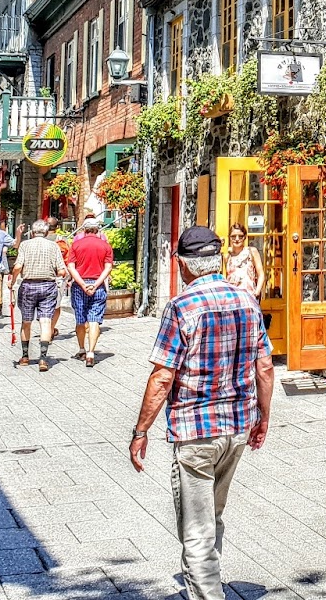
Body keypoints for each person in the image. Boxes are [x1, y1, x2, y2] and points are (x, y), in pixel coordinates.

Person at [130, 227, 274, 600]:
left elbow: (163, 376)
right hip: (238, 426)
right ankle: (208, 579)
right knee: (213, 514)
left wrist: (141, 430)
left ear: (183, 265)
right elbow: (265, 368)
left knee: (196, 528)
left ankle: (208, 594)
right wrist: (264, 416)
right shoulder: (246, 300)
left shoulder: (182, 306)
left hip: (196, 429)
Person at [11, 220, 65, 371]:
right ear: (47, 233)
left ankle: (25, 356)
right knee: (46, 322)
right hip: (48, 286)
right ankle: (43, 358)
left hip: (28, 286)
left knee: (26, 322)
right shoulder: (54, 246)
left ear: (33, 233)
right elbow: (62, 271)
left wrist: (12, 280)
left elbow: (17, 266)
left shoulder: (25, 245)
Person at [66, 217, 113, 368]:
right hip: (97, 285)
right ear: (98, 230)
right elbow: (108, 268)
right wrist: (97, 283)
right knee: (94, 320)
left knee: (80, 319)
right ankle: (91, 353)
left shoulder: (76, 245)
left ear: (84, 230)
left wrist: (83, 284)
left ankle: (81, 349)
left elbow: (71, 267)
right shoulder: (105, 246)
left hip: (80, 285)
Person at [224, 226, 268, 329]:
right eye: (233, 236)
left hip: (249, 297)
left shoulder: (251, 251)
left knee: (251, 328)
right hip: (232, 298)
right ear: (230, 238)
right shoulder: (227, 256)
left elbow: (261, 274)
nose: (237, 239)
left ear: (245, 237)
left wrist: (256, 292)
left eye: (240, 236)